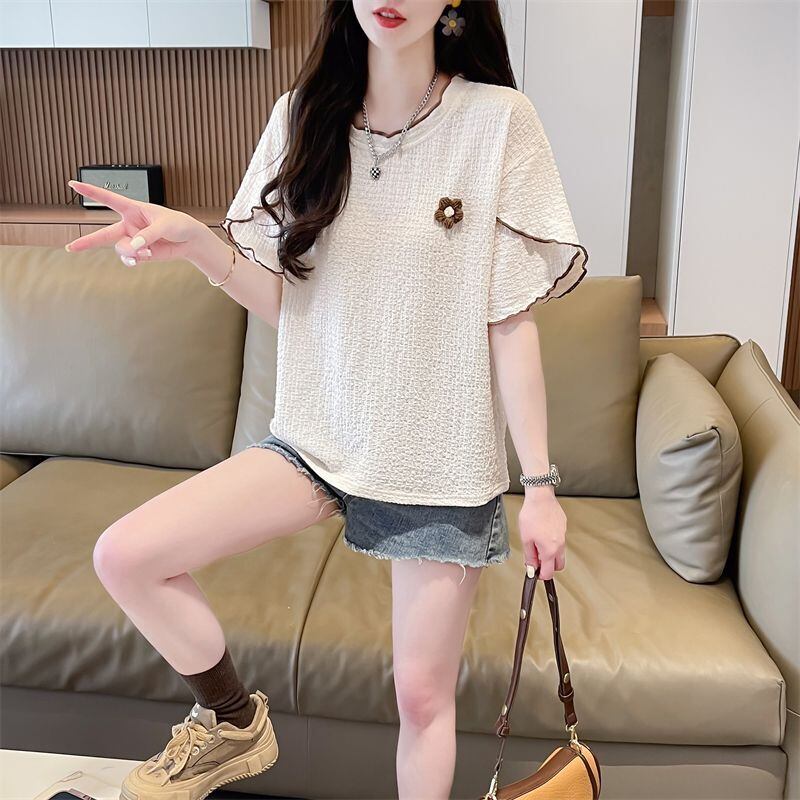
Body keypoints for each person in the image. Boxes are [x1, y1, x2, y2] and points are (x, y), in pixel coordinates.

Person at [64, 1, 589, 797]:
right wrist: (198, 243)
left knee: (422, 700)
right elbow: (288, 303)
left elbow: (509, 322)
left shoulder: (497, 121)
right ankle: (232, 720)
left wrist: (542, 488)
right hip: (316, 439)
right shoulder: (302, 117)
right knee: (126, 555)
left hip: (437, 461)